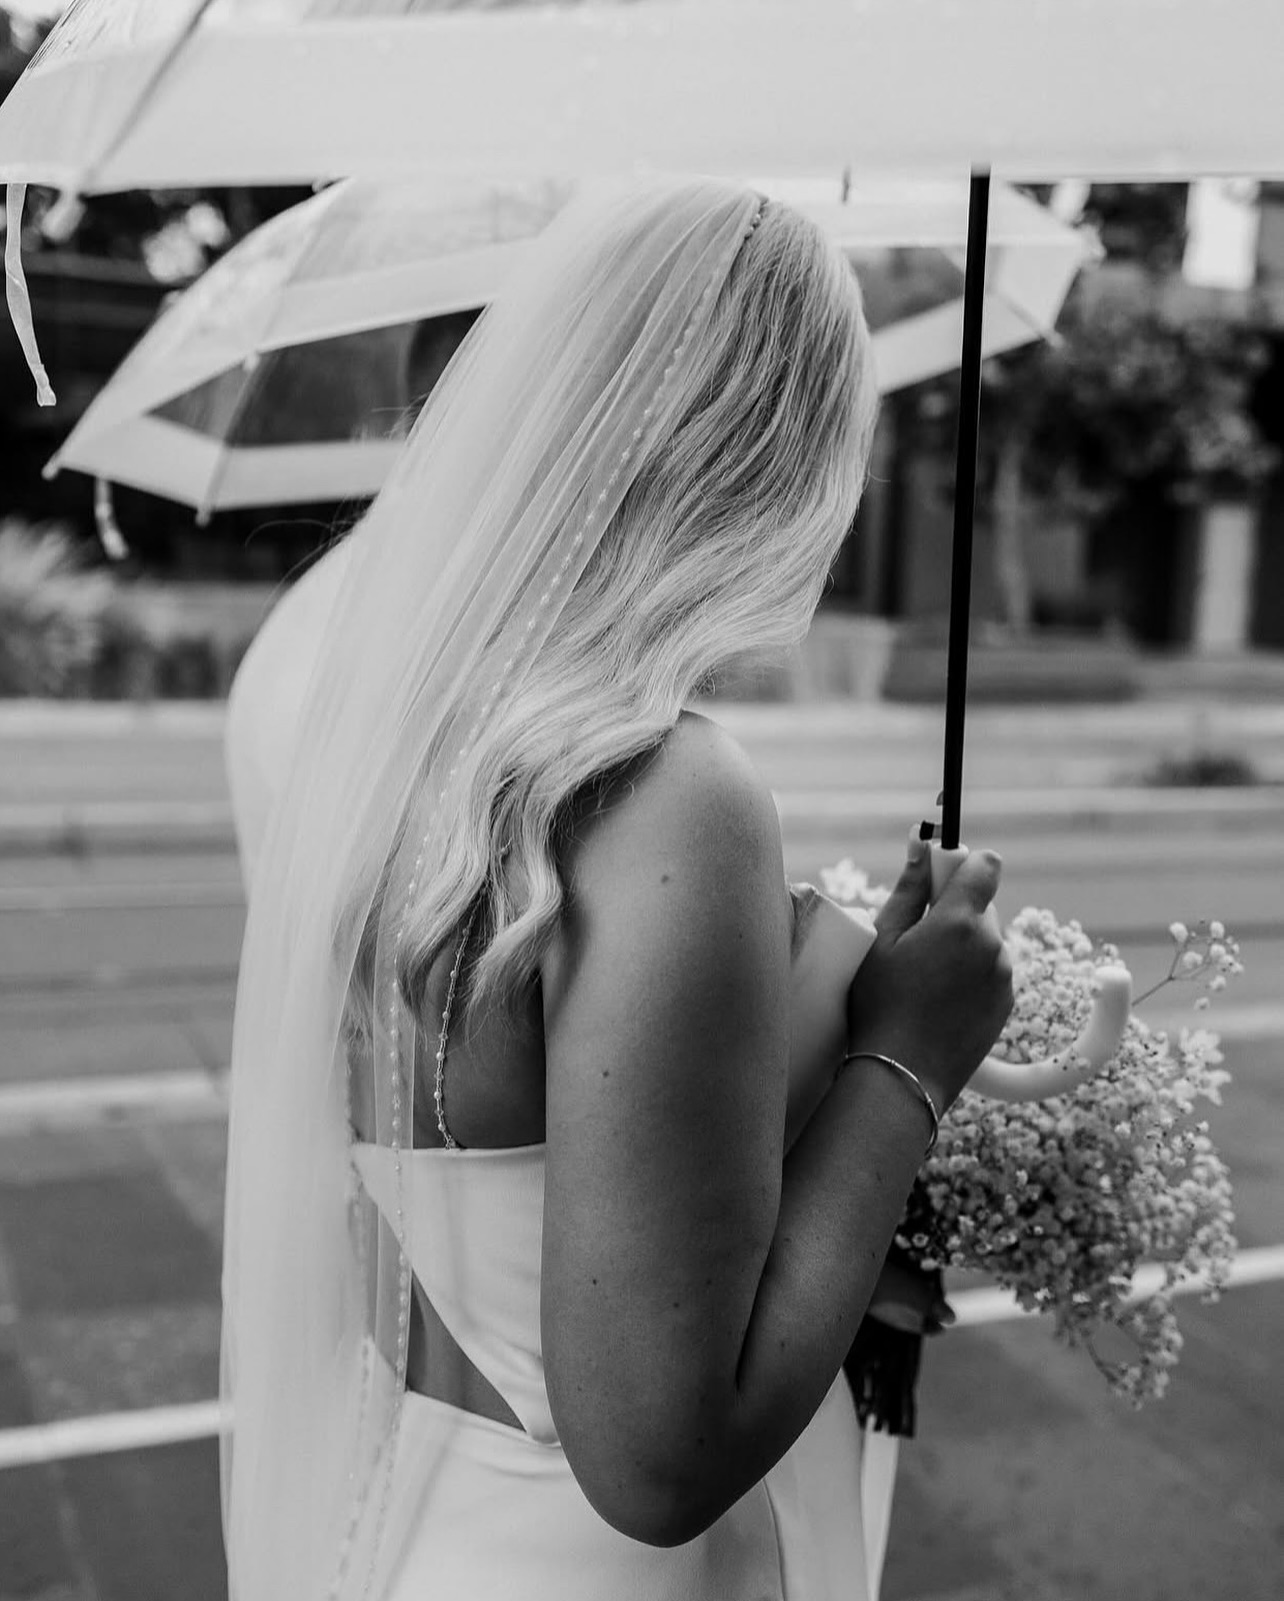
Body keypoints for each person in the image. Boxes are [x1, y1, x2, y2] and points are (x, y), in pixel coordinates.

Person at [219, 176, 1013, 1601]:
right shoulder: (669, 796)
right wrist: (908, 1052)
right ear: (779, 456)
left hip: (432, 1516)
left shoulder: (401, 743)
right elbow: (659, 1458)